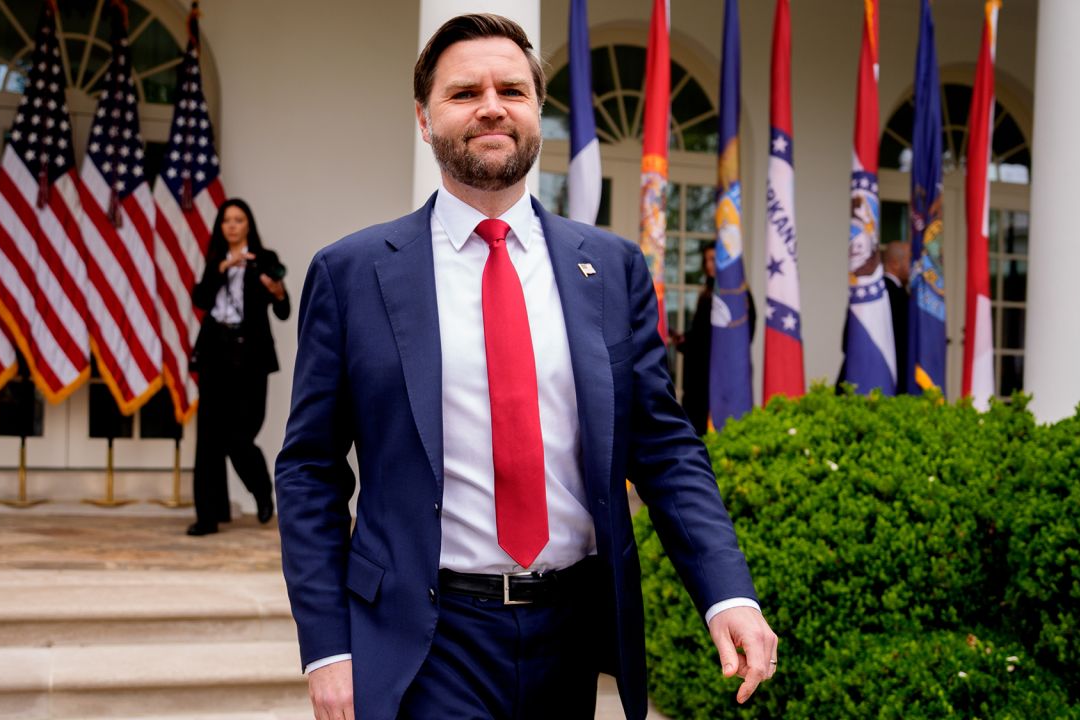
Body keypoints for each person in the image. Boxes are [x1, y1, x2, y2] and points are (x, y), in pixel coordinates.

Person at [276, 14, 776, 720]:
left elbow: (664, 448)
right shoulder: (352, 274)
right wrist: (327, 647)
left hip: (570, 633)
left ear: (537, 112)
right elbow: (310, 471)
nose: (490, 106)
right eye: (463, 93)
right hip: (428, 637)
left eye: (511, 89)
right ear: (423, 119)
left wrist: (728, 592)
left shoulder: (612, 268)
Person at [187, 198, 290, 537]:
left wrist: (276, 291)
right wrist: (221, 270)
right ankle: (209, 515)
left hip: (251, 357)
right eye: (226, 220)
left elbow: (284, 309)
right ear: (220, 226)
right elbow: (201, 300)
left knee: (240, 434)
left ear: (248, 225)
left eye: (238, 219)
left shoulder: (264, 259)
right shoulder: (215, 260)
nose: (232, 225)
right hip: (216, 351)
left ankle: (261, 490)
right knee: (208, 440)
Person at [674, 244, 757, 436]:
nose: (710, 265)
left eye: (714, 259)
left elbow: (743, 336)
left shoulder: (738, 295)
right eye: (707, 260)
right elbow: (701, 336)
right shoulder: (707, 293)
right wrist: (685, 341)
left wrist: (691, 344)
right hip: (699, 377)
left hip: (722, 374)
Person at [882, 241, 910, 395]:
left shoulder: (876, 291)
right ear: (894, 263)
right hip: (892, 379)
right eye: (909, 260)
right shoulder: (895, 295)